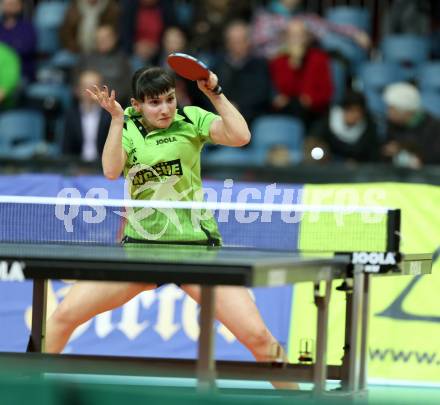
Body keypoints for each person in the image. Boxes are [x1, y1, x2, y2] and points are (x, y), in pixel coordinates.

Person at [44, 66, 297, 390]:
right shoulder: (128, 126)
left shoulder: (191, 119)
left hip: (196, 251)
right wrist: (117, 120)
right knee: (61, 318)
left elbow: (241, 136)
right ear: (137, 105)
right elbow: (110, 171)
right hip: (142, 250)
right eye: (154, 103)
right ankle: (21, 391)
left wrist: (213, 93)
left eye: (169, 99)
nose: (164, 109)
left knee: (260, 339)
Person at [269, 18, 333, 129]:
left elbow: (327, 91)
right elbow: (284, 91)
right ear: (285, 38)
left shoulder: (319, 58)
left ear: (307, 37)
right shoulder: (278, 61)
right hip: (287, 111)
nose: (296, 39)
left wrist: (311, 99)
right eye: (292, 35)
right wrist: (294, 64)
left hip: (313, 112)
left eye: (300, 35)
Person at [307, 90, 380, 163]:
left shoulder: (369, 128)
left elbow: (372, 154)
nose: (355, 115)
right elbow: (313, 141)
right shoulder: (328, 121)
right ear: (343, 110)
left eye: (358, 111)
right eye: (351, 110)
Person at [381, 82, 440, 168]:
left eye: (391, 108)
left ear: (404, 111)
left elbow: (434, 156)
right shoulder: (392, 124)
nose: (388, 112)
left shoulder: (434, 127)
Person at [74, 24, 132, 105]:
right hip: (88, 102)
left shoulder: (122, 60)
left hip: (113, 102)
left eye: (105, 38)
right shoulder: (86, 58)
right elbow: (76, 83)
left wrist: (107, 98)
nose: (102, 41)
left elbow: (127, 87)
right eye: (99, 38)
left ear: (114, 39)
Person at [62, 69, 111, 161]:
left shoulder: (110, 115)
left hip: (104, 167)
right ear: (76, 90)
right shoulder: (70, 116)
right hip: (76, 167)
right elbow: (66, 148)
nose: (89, 92)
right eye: (85, 87)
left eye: (93, 88)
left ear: (102, 90)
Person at [0, 0, 36, 82]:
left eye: (12, 4)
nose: (9, 6)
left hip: (21, 74)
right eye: (7, 4)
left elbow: (25, 49)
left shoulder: (27, 28)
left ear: (20, 6)